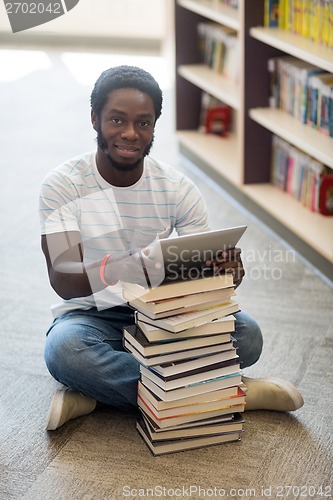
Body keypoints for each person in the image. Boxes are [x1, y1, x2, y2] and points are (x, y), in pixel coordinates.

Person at [39, 65, 304, 431]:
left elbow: (201, 287)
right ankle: (231, 392)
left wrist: (226, 275)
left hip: (163, 315)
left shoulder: (178, 189)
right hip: (91, 318)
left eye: (143, 123)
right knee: (65, 352)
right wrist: (130, 266)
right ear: (95, 119)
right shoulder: (63, 185)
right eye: (117, 120)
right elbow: (65, 280)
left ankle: (95, 396)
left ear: (153, 127)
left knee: (248, 335)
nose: (130, 134)